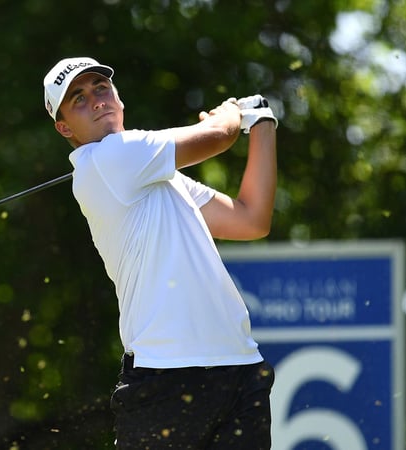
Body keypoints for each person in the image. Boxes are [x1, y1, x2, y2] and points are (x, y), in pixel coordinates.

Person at [43, 56, 278, 449]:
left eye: (101, 88)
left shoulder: (162, 176)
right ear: (64, 127)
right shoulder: (107, 158)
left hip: (238, 368)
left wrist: (263, 125)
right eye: (78, 98)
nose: (97, 99)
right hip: (165, 378)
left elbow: (251, 220)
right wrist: (232, 113)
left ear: (117, 97)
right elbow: (219, 135)